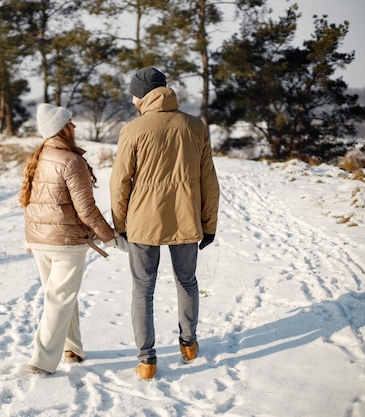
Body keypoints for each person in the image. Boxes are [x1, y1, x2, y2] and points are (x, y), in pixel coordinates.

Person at [109, 67, 220, 380]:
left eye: (133, 93)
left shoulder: (133, 129)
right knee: (187, 281)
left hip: (143, 223)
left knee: (142, 290)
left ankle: (147, 361)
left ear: (142, 94)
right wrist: (209, 223)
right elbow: (209, 179)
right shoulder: (195, 126)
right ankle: (189, 344)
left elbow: (120, 183)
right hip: (186, 219)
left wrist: (119, 225)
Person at [19, 103, 124, 376]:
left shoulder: (38, 157)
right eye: (70, 122)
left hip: (41, 240)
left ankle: (72, 347)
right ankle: (41, 361)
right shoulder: (71, 161)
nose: (74, 126)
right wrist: (110, 237)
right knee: (60, 298)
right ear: (61, 128)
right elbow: (86, 209)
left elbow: (29, 201)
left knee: (62, 296)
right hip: (65, 242)